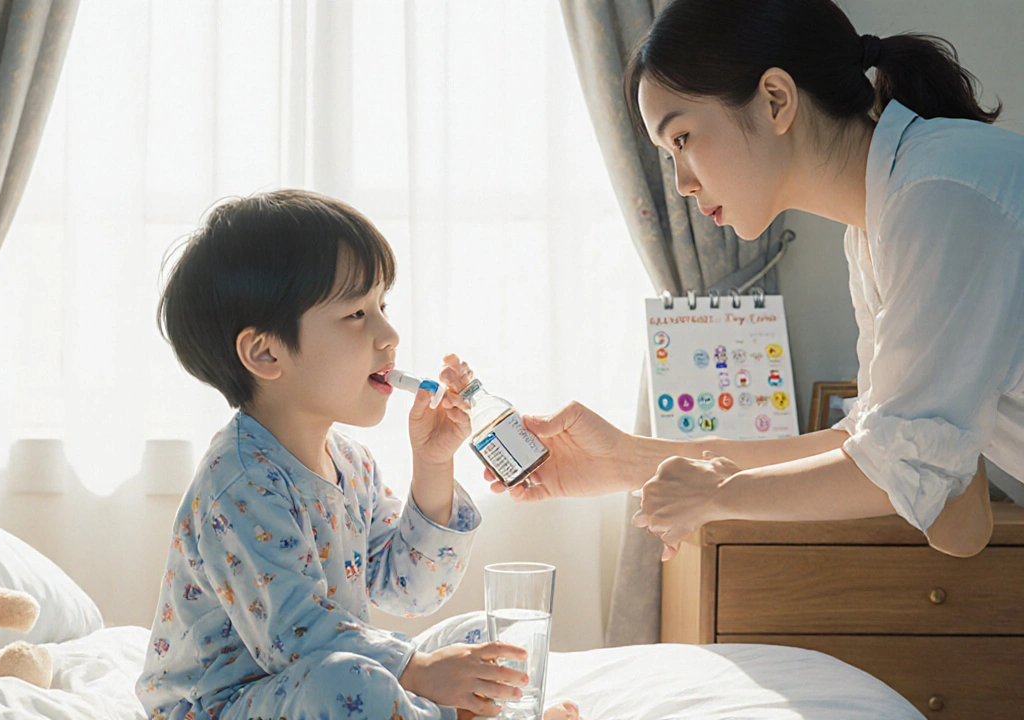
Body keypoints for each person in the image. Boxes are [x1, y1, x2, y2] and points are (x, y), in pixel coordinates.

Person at [453, 0, 1023, 561]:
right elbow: (883, 453)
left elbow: (896, 468)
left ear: (776, 99)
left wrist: (718, 495)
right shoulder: (878, 223)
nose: (680, 183)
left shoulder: (937, 196)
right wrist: (627, 460)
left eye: (681, 139)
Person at [137, 190, 580, 720]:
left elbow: (411, 592)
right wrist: (419, 673)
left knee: (488, 637)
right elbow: (294, 637)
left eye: (382, 307)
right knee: (354, 682)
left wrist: (433, 463)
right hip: (219, 706)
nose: (389, 335)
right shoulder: (238, 480)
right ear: (266, 352)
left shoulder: (350, 463)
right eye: (355, 313)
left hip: (314, 677)